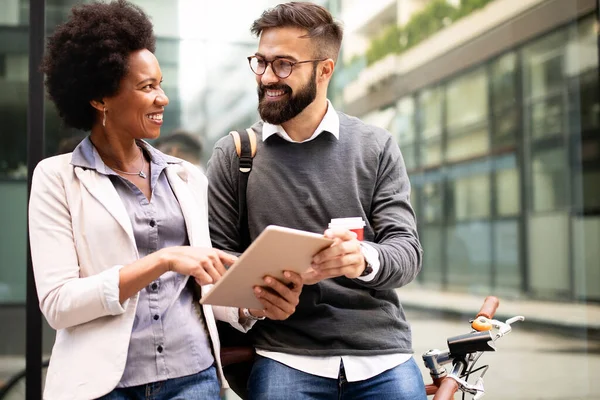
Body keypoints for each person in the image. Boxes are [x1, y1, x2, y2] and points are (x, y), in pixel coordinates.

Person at [29, 1, 302, 399]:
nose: (163, 99)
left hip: (193, 378)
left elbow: (205, 284)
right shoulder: (57, 178)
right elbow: (59, 304)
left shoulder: (186, 176)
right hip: (105, 386)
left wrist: (254, 305)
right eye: (147, 87)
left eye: (161, 84)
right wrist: (163, 260)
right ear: (100, 98)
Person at [206, 2, 426, 399]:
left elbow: (407, 253)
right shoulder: (236, 154)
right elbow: (217, 264)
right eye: (261, 62)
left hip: (382, 356)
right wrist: (255, 302)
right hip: (284, 355)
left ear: (324, 70)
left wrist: (361, 259)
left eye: (284, 65)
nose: (268, 77)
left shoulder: (376, 147)